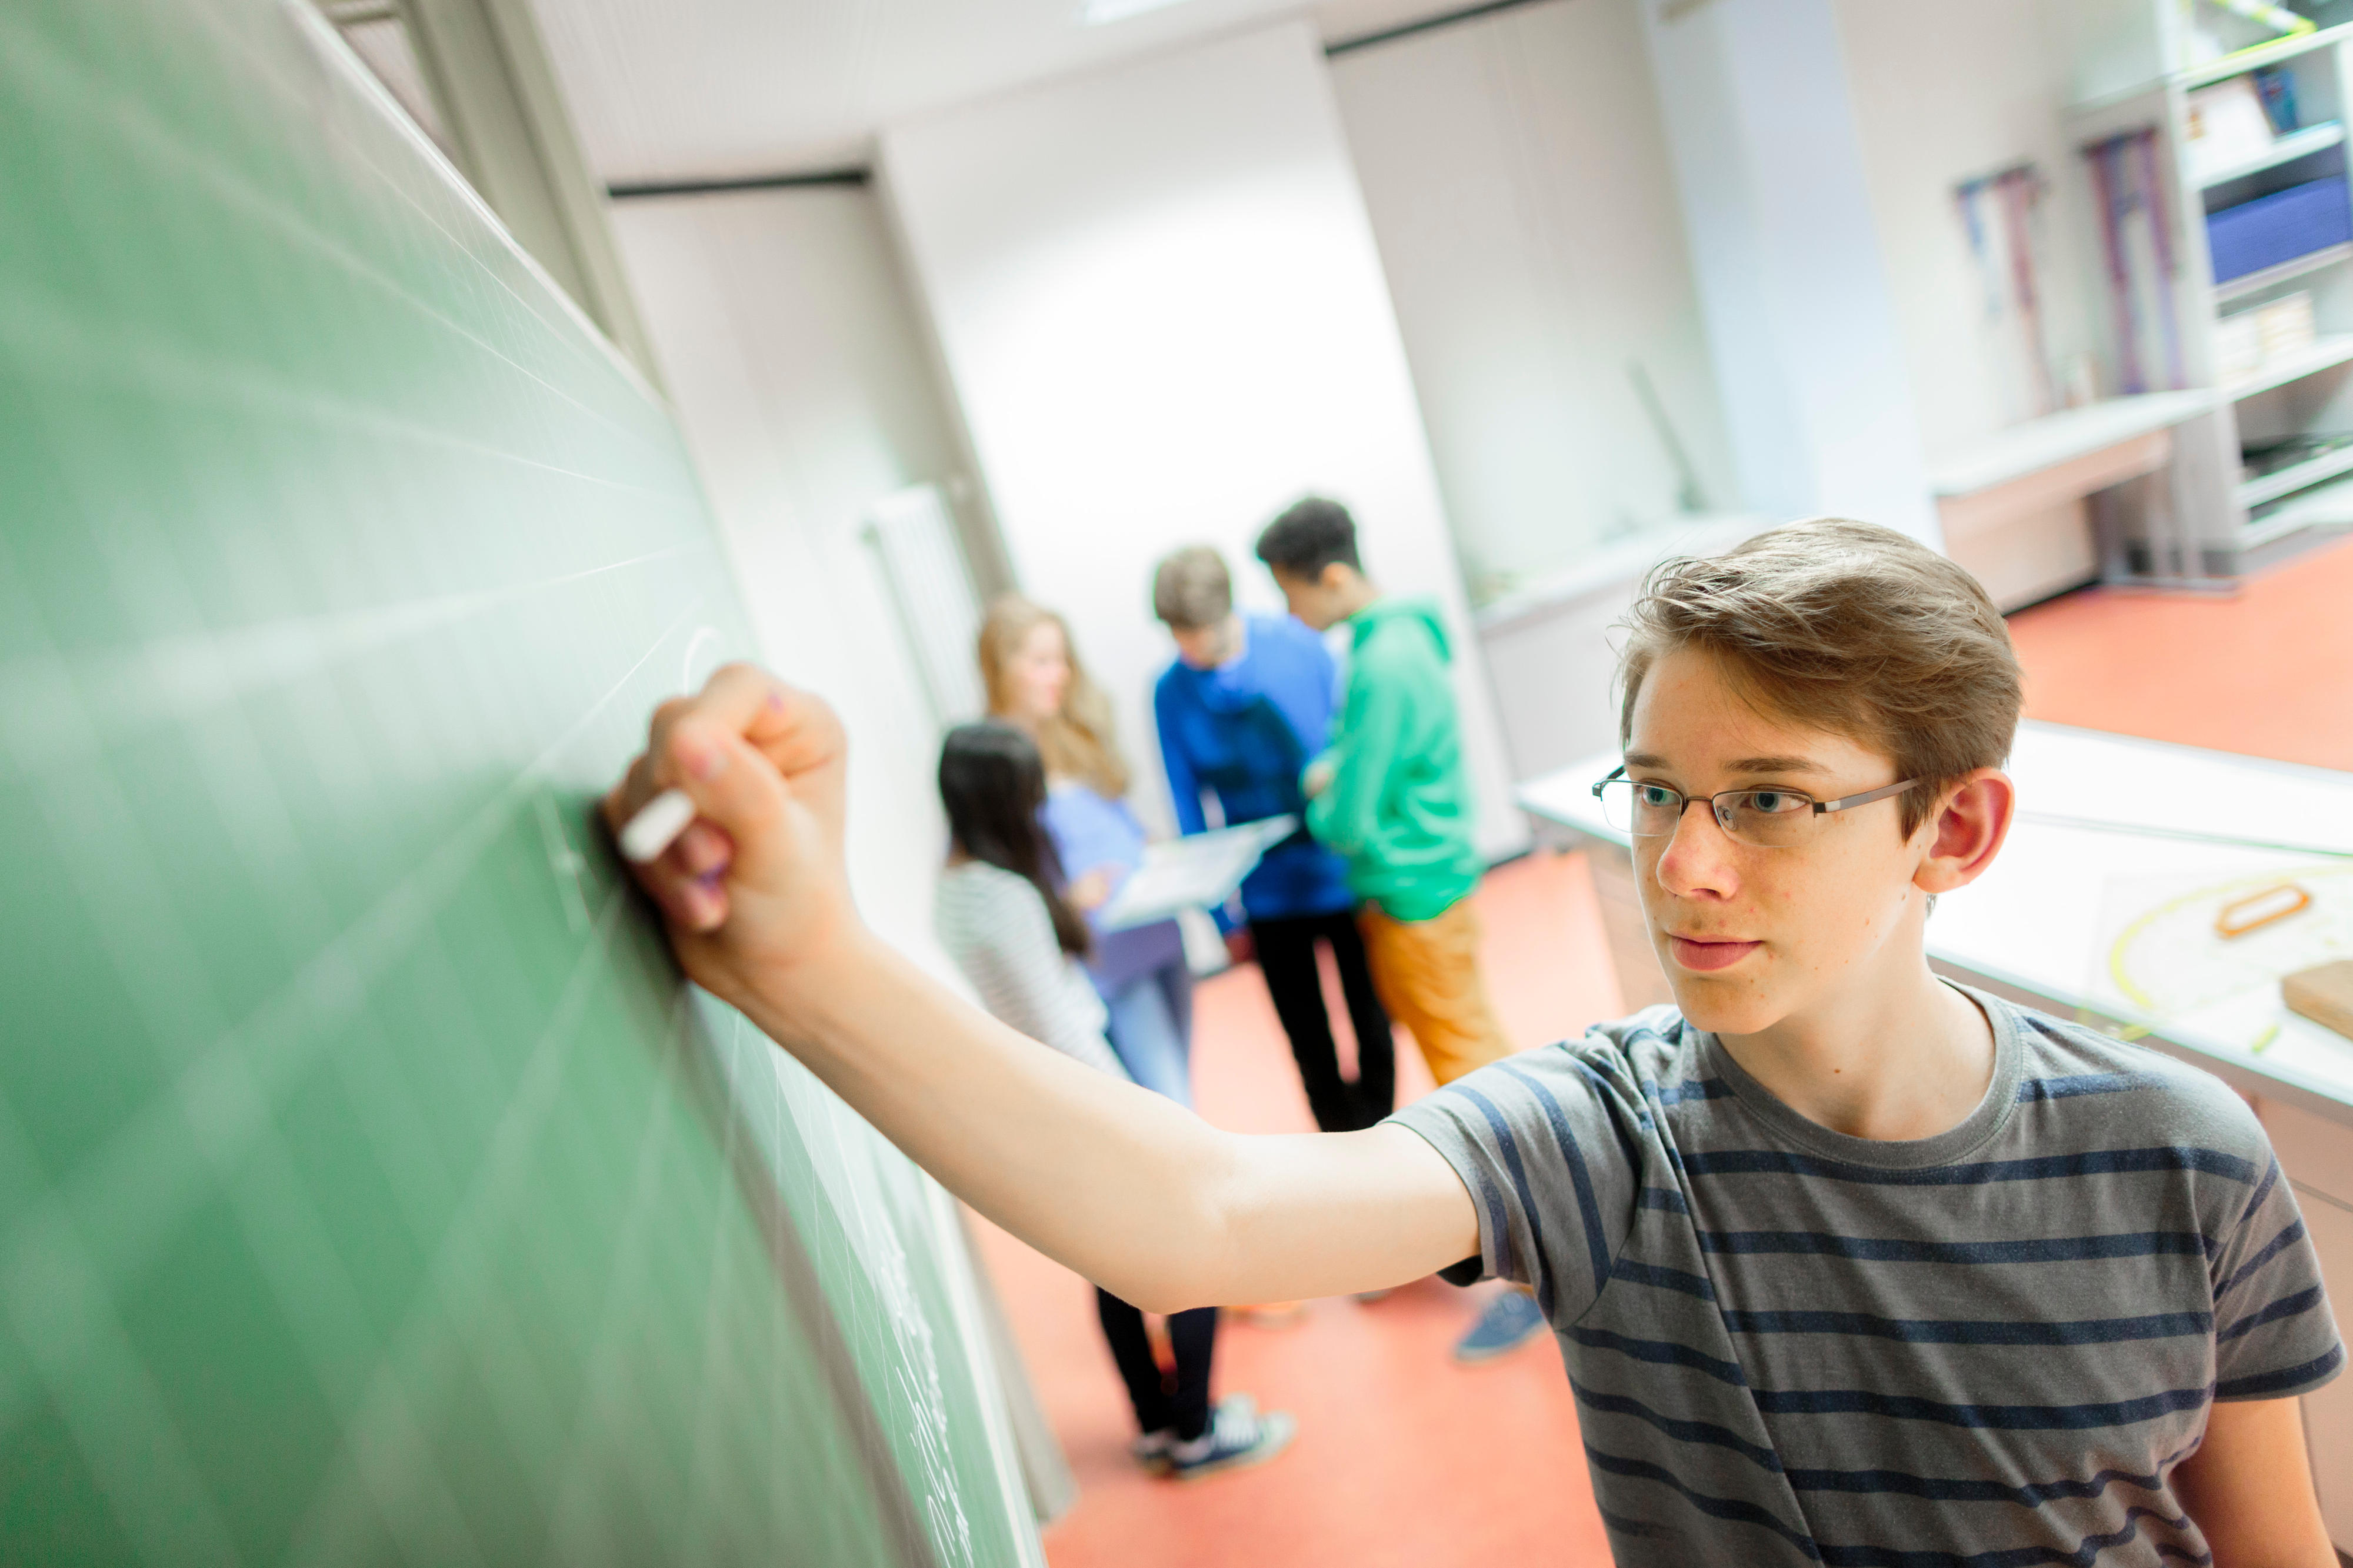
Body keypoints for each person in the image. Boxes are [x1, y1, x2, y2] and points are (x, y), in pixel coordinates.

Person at [606, 518, 2340, 1567]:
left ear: (1950, 833)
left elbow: (2269, 1547)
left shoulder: (2179, 1153)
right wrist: (806, 960)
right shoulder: (1593, 1138)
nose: (1682, 864)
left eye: (1766, 802)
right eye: (1655, 789)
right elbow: (1197, 1216)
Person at [929, 720, 1294, 1480]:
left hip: (1048, 1103)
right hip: (1083, 1096)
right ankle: (1197, 1429)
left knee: (1110, 1268)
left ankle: (1158, 1425)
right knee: (1197, 1247)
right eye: (1030, 794)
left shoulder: (957, 885)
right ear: (1003, 799)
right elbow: (1059, 1024)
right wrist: (1141, 1117)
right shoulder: (1001, 894)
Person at [1253, 496, 1543, 1361]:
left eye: (1289, 591)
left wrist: (1320, 785)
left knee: (1474, 1074)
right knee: (1476, 1051)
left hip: (1409, 894)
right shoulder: (1408, 640)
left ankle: (1538, 1272)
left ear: (1331, 577)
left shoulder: (1378, 663)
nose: (1289, 612)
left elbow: (1345, 818)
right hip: (1433, 880)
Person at [1149, 545, 1395, 1135]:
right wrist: (1221, 917)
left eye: (1199, 633)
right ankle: (1343, 1153)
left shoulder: (1298, 648)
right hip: (1263, 892)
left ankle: (1385, 1133)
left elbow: (1347, 754)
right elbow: (1189, 809)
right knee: (1306, 1038)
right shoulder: (1169, 692)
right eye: (1177, 635)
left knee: (1373, 1016)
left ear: (1228, 611)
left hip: (1339, 868)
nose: (1188, 649)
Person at [978, 596, 1193, 1106]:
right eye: (1042, 662)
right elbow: (992, 884)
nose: (1060, 675)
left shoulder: (1073, 736)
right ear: (1000, 667)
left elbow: (1117, 823)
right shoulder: (992, 763)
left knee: (1180, 1090)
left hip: (1157, 933)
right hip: (1104, 958)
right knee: (1169, 1105)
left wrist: (1150, 846)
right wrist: (1066, 899)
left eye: (1063, 660)